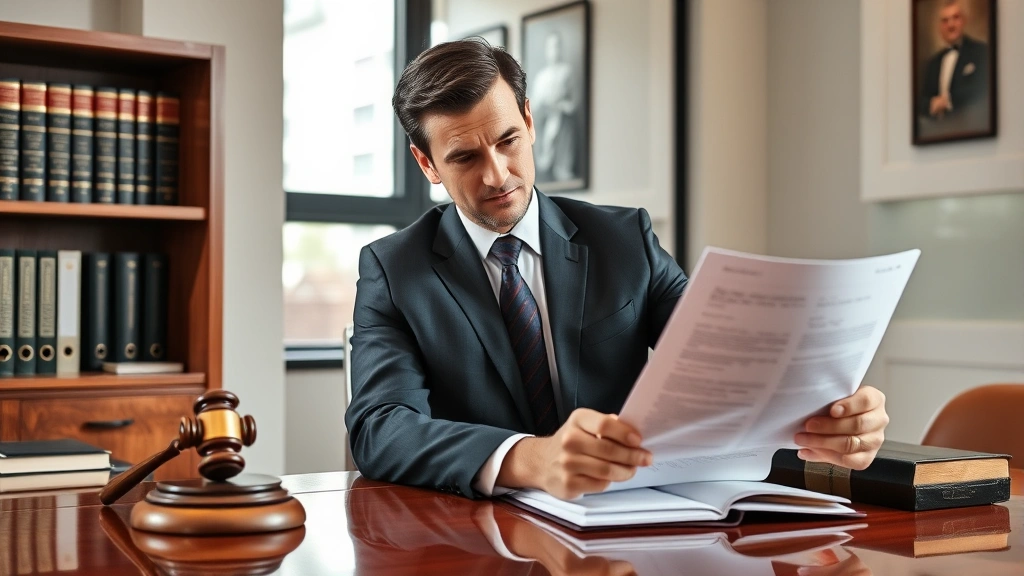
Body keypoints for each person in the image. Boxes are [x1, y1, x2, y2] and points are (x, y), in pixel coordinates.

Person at [345, 39, 889, 500]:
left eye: (508, 140)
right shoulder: (394, 270)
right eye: (465, 157)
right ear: (427, 164)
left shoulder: (625, 239)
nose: (497, 174)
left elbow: (732, 359)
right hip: (477, 537)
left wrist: (830, 412)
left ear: (530, 122)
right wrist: (530, 459)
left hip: (634, 521)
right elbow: (380, 429)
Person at [919, 0, 989, 120]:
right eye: (945, 21)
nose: (951, 25)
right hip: (937, 132)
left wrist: (948, 101)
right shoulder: (933, 63)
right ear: (940, 27)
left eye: (955, 17)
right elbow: (921, 101)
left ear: (964, 21)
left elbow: (982, 92)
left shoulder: (981, 52)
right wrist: (931, 105)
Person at [530, 31, 577, 183]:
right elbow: (534, 105)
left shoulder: (567, 72)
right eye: (551, 47)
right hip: (545, 119)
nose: (554, 51)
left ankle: (562, 166)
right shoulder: (541, 77)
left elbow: (573, 103)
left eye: (557, 46)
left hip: (561, 119)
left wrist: (560, 106)